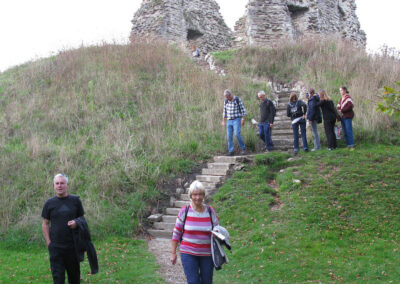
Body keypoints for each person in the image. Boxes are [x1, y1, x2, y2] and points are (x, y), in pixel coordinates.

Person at [171, 181, 219, 284]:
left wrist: (216, 233)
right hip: (188, 253)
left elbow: (217, 228)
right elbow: (177, 232)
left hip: (207, 254)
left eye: (200, 194)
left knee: (207, 281)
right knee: (193, 281)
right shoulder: (185, 211)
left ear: (203, 195)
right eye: (195, 194)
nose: (198, 197)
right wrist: (173, 253)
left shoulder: (210, 211)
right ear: (191, 196)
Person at [42, 174, 85, 284]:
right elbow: (45, 223)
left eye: (62, 183)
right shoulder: (49, 203)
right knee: (58, 279)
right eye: (57, 183)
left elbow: (82, 219)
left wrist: (76, 223)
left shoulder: (75, 201)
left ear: (67, 185)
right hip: (56, 247)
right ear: (53, 186)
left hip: (73, 246)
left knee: (74, 278)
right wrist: (49, 243)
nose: (59, 186)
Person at [221, 89, 247, 156]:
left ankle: (243, 148)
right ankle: (231, 151)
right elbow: (224, 111)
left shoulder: (237, 99)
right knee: (229, 136)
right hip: (229, 120)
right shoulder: (226, 101)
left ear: (230, 95)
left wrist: (243, 119)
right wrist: (223, 121)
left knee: (237, 134)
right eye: (226, 97)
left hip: (237, 119)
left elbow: (243, 110)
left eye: (227, 97)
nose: (227, 98)